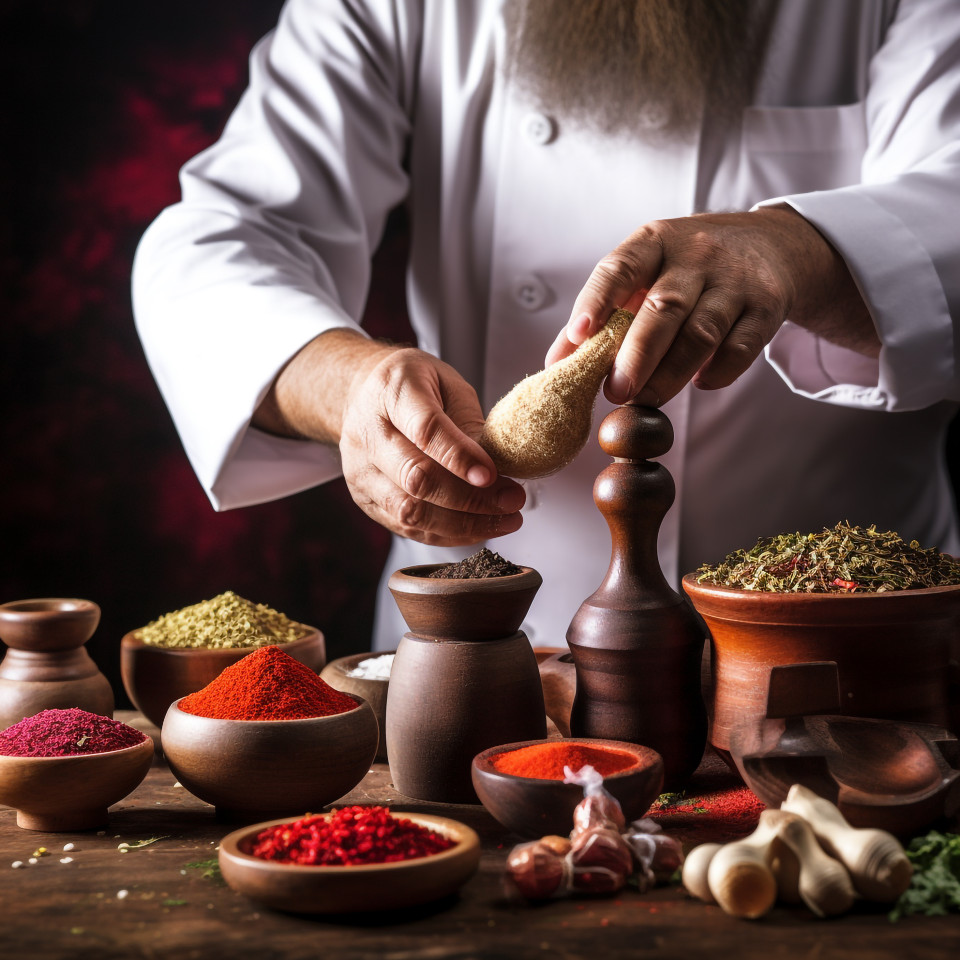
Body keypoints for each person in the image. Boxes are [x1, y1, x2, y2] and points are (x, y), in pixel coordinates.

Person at [133, 0, 960, 652]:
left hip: (844, 643)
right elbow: (221, 236)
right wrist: (347, 383)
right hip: (484, 657)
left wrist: (800, 248)